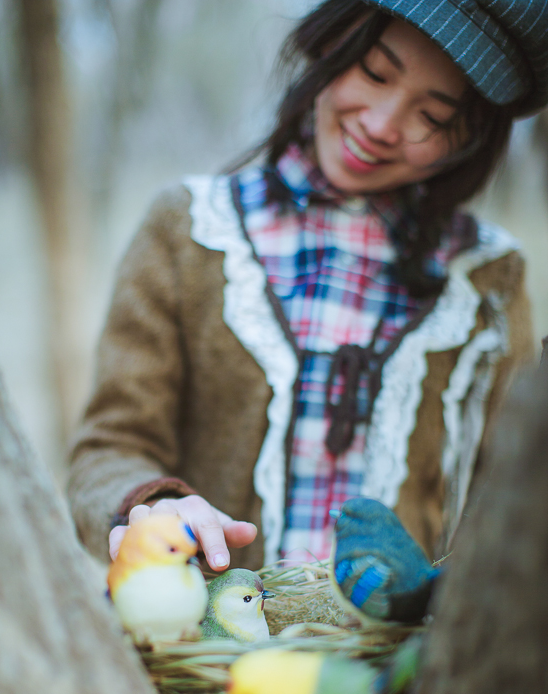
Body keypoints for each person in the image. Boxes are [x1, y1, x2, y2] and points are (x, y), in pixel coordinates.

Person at [69, 0, 545, 572]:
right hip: (203, 654)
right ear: (330, 39)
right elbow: (111, 444)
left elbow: (511, 489)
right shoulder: (190, 230)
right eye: (374, 71)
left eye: (435, 115)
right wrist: (156, 506)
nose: (381, 125)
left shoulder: (489, 278)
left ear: (473, 136)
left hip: (405, 661)